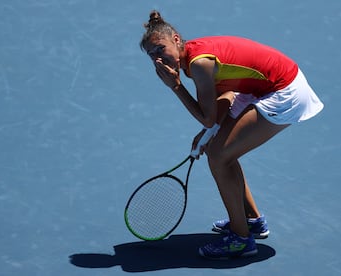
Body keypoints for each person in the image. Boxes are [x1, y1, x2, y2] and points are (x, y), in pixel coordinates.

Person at [139, 10, 324, 259]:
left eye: (160, 49)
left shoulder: (199, 64)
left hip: (284, 90)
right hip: (259, 85)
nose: (157, 59)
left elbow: (207, 115)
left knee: (218, 156)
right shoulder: (194, 58)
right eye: (151, 56)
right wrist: (209, 131)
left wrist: (176, 87)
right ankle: (251, 221)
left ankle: (240, 239)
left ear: (175, 39)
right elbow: (223, 100)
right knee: (221, 149)